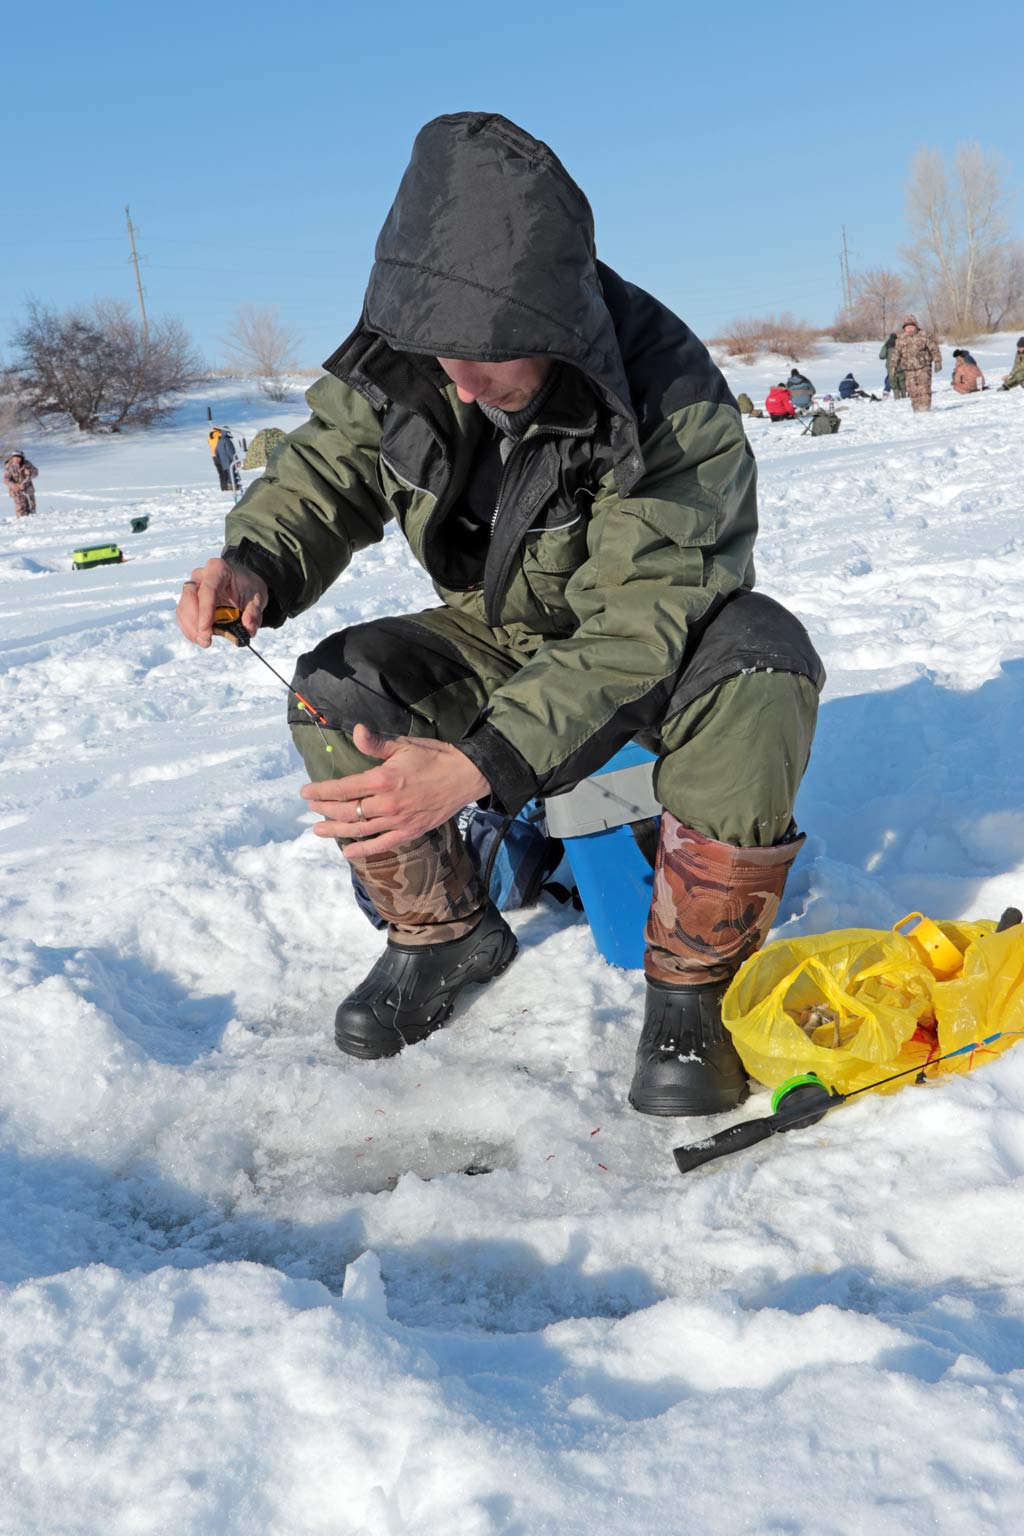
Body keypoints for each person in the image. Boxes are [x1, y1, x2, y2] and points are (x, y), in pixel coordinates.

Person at [176, 112, 824, 1120]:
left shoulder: (671, 399)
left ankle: (694, 983)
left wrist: (480, 761)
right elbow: (324, 465)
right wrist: (254, 561)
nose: (465, 385)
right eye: (445, 358)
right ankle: (442, 933)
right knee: (335, 690)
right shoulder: (415, 361)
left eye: (492, 356)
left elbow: (636, 627)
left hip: (657, 652)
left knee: (763, 663)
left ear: (559, 322)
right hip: (499, 630)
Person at [888, 314, 942, 412]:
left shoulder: (924, 335)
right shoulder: (901, 339)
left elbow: (934, 349)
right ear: (904, 328)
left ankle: (925, 410)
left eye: (911, 326)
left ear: (916, 326)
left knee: (924, 389)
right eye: (907, 327)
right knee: (912, 391)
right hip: (908, 369)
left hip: (923, 367)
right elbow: (896, 354)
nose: (909, 329)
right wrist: (893, 367)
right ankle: (917, 410)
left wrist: (938, 361)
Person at [3, 450, 38, 517]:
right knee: (21, 509)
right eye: (15, 457)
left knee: (32, 509)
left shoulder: (27, 464)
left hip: (29, 490)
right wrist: (17, 485)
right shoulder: (9, 466)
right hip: (17, 492)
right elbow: (6, 480)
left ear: (22, 458)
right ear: (12, 457)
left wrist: (30, 472)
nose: (17, 459)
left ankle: (32, 523)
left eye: (19, 457)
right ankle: (21, 523)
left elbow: (36, 472)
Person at [208, 426, 242, 493]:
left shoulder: (218, 440)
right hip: (229, 461)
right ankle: (233, 489)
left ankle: (227, 489)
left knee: (226, 476)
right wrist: (236, 460)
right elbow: (231, 452)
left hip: (222, 461)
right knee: (232, 475)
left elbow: (216, 451)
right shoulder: (226, 440)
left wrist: (219, 458)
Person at [879, 333, 905, 398]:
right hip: (901, 367)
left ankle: (897, 399)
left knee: (894, 385)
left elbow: (881, 356)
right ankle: (905, 398)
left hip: (890, 368)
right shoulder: (901, 344)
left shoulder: (887, 345)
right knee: (902, 384)